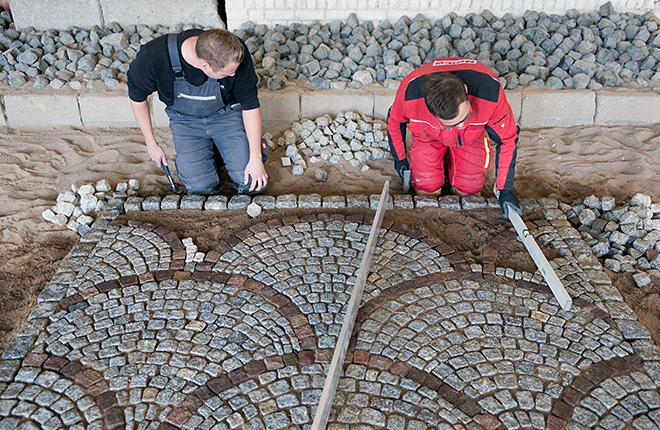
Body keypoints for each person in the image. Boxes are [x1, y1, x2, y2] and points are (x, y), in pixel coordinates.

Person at [127, 28, 267, 195]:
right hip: (185, 121)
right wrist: (151, 144)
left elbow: (250, 106)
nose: (234, 74)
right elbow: (137, 99)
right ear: (205, 67)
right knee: (200, 188)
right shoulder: (153, 57)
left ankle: (239, 148)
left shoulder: (233, 52)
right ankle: (213, 155)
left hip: (225, 116)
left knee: (253, 183)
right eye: (228, 73)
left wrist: (255, 158)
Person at [387, 57, 522, 218]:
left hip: (471, 136)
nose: (459, 126)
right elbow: (394, 122)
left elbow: (507, 138)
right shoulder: (410, 96)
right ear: (430, 109)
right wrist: (400, 158)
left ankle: (453, 171)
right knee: (426, 187)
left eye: (464, 117)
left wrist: (505, 189)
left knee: (469, 190)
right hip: (429, 134)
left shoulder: (490, 93)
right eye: (451, 124)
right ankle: (440, 167)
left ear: (465, 89)